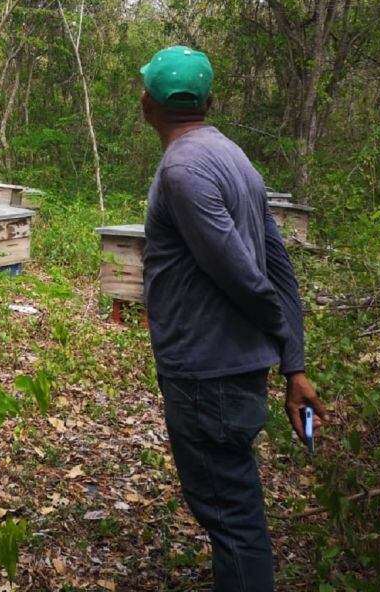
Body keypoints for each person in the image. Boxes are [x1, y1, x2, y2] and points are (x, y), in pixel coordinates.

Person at [139, 45, 328, 592]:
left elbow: (248, 275)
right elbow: (279, 263)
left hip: (207, 378)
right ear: (209, 101)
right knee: (235, 510)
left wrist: (283, 344)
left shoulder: (181, 170)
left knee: (232, 520)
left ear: (147, 102)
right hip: (232, 371)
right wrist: (293, 363)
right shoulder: (234, 157)